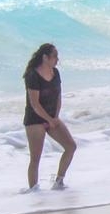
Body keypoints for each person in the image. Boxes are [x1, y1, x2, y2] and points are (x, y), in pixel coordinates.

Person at [22, 43, 76, 191]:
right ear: (45, 57)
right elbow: (34, 103)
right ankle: (34, 190)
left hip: (52, 118)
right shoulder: (32, 75)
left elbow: (58, 96)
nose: (57, 59)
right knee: (36, 158)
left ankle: (58, 182)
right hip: (35, 120)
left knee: (71, 146)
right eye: (54, 56)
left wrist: (55, 117)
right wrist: (49, 119)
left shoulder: (55, 72)